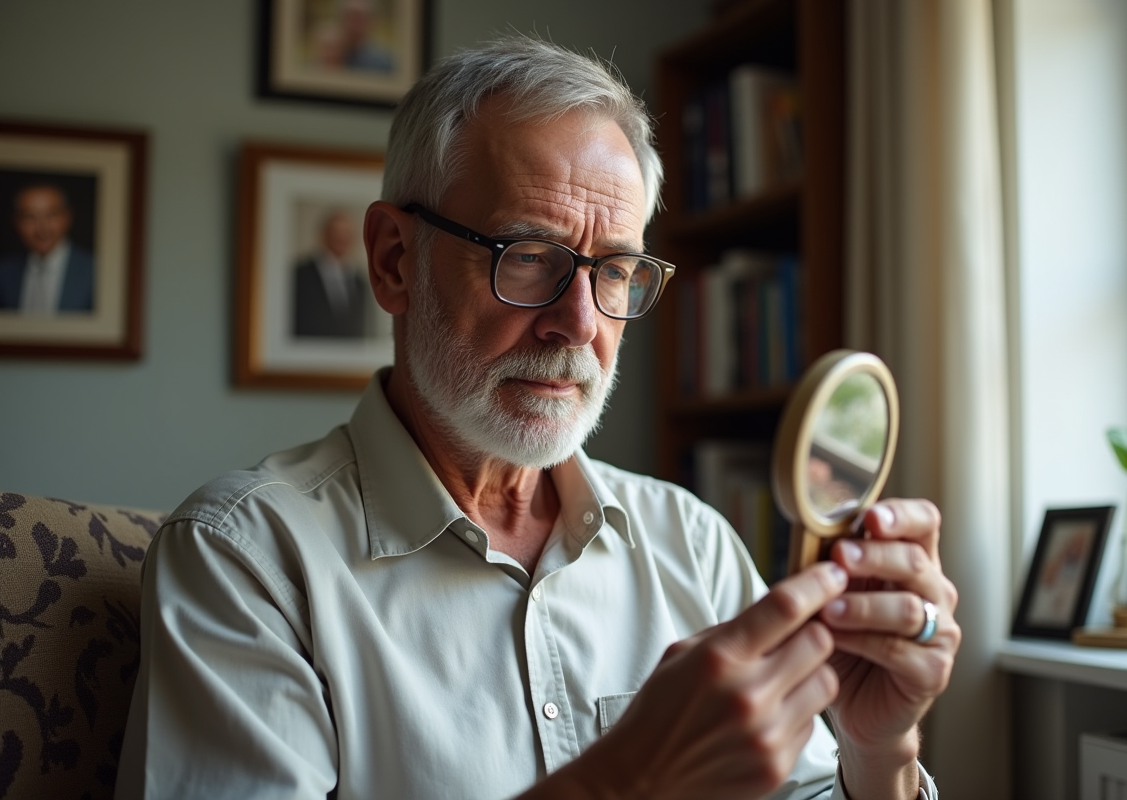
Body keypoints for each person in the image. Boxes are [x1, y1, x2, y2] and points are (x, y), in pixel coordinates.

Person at [115, 36, 960, 800]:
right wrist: (627, 780)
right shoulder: (246, 560)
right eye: (527, 258)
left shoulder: (691, 544)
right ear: (394, 260)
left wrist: (876, 752)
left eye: (616, 271)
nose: (582, 324)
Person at [0, 183, 95, 313]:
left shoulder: (95, 270)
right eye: (30, 217)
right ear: (17, 222)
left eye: (52, 215)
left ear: (67, 217)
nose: (42, 228)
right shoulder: (4, 272)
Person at [292, 209, 370, 338]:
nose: (342, 239)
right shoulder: (299, 275)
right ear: (324, 235)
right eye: (336, 233)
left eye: (347, 234)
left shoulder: (360, 282)